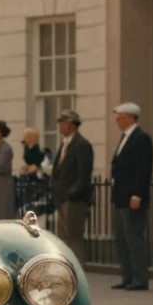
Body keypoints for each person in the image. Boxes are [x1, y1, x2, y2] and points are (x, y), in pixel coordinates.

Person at [109, 102, 153, 291]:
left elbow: (143, 169)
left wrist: (138, 193)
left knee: (134, 238)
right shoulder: (125, 138)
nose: (117, 121)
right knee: (121, 238)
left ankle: (140, 277)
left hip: (132, 196)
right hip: (120, 195)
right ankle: (127, 275)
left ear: (130, 117)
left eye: (120, 117)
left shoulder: (141, 138)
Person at [50, 109, 94, 262]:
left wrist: (72, 193)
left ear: (71, 125)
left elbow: (83, 174)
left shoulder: (81, 145)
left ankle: (77, 270)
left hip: (74, 200)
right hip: (62, 198)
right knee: (63, 237)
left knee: (74, 238)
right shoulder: (64, 144)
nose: (60, 126)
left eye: (63, 123)